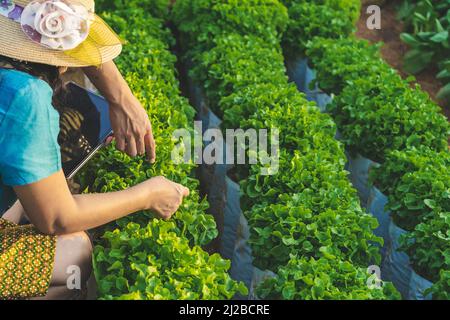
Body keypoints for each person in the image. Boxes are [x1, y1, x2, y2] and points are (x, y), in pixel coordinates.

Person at [0, 0, 190, 299]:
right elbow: (55, 218)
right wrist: (148, 194)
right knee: (75, 249)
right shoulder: (25, 95)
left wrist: (121, 98)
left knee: (25, 198)